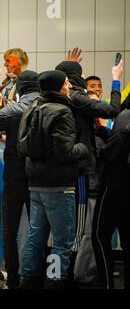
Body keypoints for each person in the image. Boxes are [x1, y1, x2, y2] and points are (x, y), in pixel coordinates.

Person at [55, 57, 122, 285]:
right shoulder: (77, 99)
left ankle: (56, 276)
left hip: (54, 176)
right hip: (82, 173)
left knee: (57, 232)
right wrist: (116, 80)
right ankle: (73, 276)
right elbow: (113, 109)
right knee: (81, 230)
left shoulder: (51, 102)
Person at [19, 70, 88, 289]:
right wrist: (84, 148)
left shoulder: (32, 108)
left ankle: (27, 280)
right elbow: (65, 152)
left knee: (35, 238)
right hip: (59, 186)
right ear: (59, 86)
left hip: (35, 185)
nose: (70, 87)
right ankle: (54, 281)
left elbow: (22, 146)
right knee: (62, 242)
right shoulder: (62, 111)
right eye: (67, 83)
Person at [0, 70, 41, 289]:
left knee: (9, 232)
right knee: (39, 230)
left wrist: (0, 135)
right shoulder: (48, 106)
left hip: (14, 176)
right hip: (40, 176)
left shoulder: (14, 109)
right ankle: (35, 277)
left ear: (20, 88)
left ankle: (13, 279)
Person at [92, 99, 130, 290]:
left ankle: (106, 284)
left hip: (115, 183)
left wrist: (100, 151)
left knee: (100, 234)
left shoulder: (125, 115)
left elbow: (113, 150)